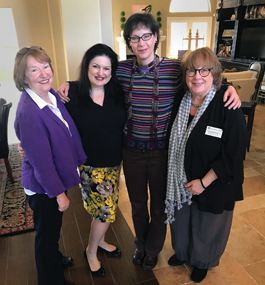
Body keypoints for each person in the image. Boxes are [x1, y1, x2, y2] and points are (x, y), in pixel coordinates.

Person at [57, 13, 241, 271]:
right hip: (130, 151)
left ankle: (153, 250)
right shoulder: (120, 69)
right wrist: (68, 83)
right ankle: (141, 245)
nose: (141, 42)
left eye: (146, 36)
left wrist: (228, 87)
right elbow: (95, 78)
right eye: (135, 38)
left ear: (155, 38)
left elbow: (201, 78)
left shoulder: (174, 68)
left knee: (159, 206)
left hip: (161, 153)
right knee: (137, 205)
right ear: (129, 43)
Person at [165, 47, 248, 283]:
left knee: (207, 224)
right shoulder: (179, 101)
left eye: (204, 70)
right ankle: (182, 252)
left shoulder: (226, 104)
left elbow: (234, 151)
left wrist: (205, 181)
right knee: (182, 221)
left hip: (214, 181)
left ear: (215, 74)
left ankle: (203, 260)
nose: (197, 76)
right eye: (192, 70)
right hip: (180, 180)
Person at [13, 46, 87, 285]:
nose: (44, 73)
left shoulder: (50, 95)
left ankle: (53, 258)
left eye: (46, 66)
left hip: (52, 182)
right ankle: (50, 279)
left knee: (52, 231)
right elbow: (41, 163)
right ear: (23, 77)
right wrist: (59, 195)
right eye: (34, 69)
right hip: (43, 187)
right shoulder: (29, 112)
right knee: (46, 236)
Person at [63, 44, 126, 277]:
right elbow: (52, 117)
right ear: (87, 67)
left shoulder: (118, 91)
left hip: (114, 163)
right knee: (106, 210)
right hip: (90, 165)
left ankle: (99, 241)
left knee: (102, 209)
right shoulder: (72, 95)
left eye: (107, 68)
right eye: (96, 66)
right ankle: (91, 251)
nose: (101, 72)